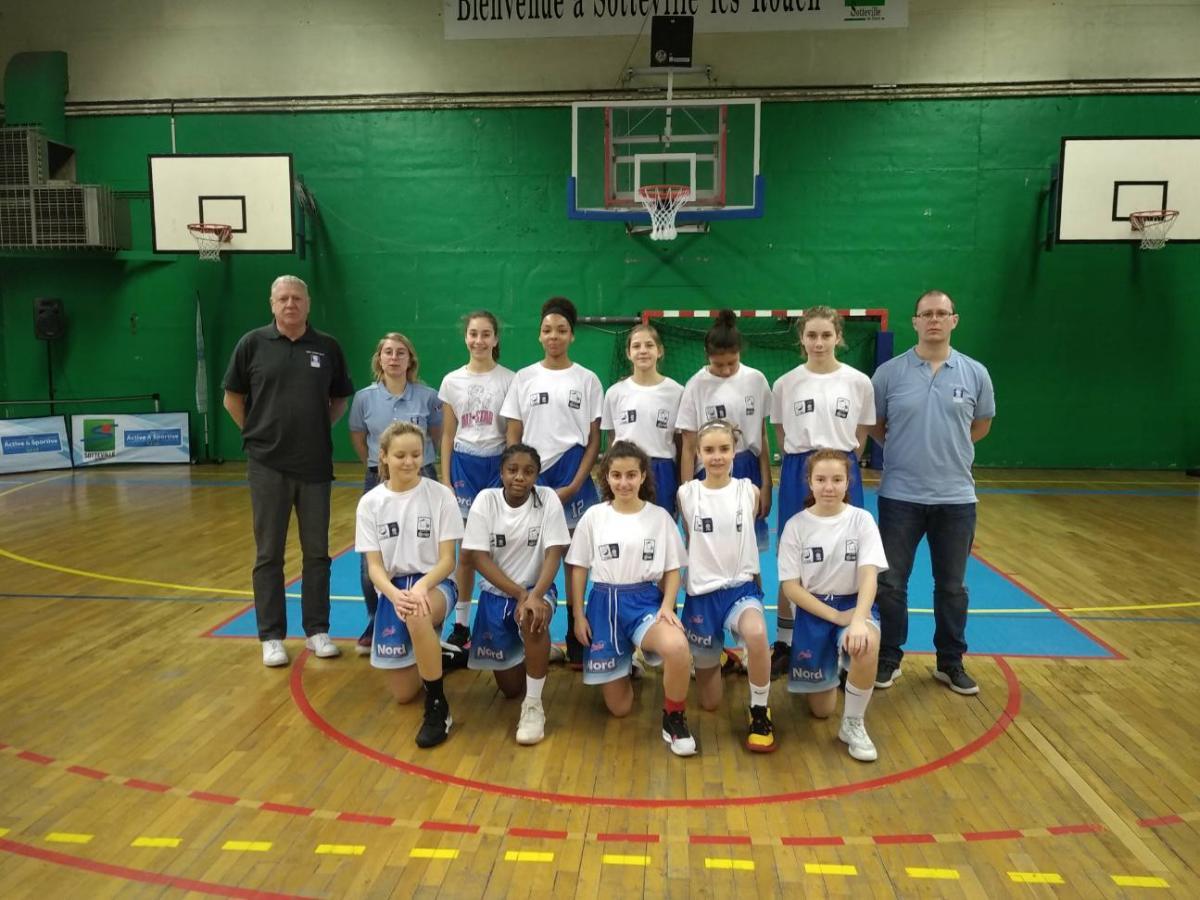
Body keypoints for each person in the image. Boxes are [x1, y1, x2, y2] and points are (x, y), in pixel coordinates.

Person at [222, 274, 353, 668]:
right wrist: (256, 435)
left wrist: (313, 429)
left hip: (315, 465)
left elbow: (339, 400)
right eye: (283, 298)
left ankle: (317, 630)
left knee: (317, 553)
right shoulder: (252, 344)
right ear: (272, 304)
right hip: (267, 467)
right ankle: (272, 636)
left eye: (297, 298)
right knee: (269, 554)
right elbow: (232, 398)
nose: (290, 304)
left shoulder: (327, 347)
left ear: (308, 304)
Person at [868, 290, 996, 695]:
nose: (935, 320)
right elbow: (876, 425)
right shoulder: (889, 373)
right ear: (915, 322)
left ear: (954, 320)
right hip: (900, 496)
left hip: (956, 498)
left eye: (942, 313)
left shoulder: (975, 373)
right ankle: (889, 657)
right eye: (927, 314)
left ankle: (950, 661)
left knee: (952, 586)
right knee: (891, 583)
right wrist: (905, 448)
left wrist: (949, 450)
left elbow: (981, 425)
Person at [566, 441, 696, 756]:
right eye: (616, 475)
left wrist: (667, 606)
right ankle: (625, 663)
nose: (623, 482)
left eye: (631, 475)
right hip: (604, 605)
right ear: (606, 477)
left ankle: (674, 717)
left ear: (642, 476)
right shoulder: (594, 517)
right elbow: (578, 568)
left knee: (677, 647)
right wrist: (578, 615)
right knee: (620, 708)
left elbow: (673, 568)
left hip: (644, 603)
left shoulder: (659, 517)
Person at [769, 306, 876, 675]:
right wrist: (806, 463)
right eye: (811, 335)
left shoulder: (859, 382)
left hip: (841, 467)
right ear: (801, 338)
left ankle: (845, 638)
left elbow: (861, 434)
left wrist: (838, 465)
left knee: (847, 553)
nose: (818, 342)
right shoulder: (785, 383)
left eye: (826, 335)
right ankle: (785, 641)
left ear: (838, 337)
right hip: (799, 468)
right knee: (791, 554)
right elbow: (781, 433)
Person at [502, 296, 602, 665]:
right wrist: (519, 476)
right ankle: (527, 629)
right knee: (534, 555)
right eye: (547, 330)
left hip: (573, 473)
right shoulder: (524, 378)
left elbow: (595, 440)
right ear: (539, 335)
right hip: (534, 474)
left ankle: (577, 635)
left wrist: (576, 484)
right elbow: (514, 433)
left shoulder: (587, 379)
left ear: (572, 335)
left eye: (561, 330)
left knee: (576, 558)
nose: (554, 336)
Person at [355, 421, 463, 748]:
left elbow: (448, 560)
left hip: (435, 583)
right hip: (394, 589)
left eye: (416, 454)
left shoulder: (440, 496)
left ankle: (438, 706)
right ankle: (435, 651)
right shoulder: (370, 503)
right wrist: (393, 594)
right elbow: (374, 567)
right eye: (400, 455)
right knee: (403, 695)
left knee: (417, 613)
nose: (409, 462)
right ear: (383, 456)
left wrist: (420, 588)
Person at [778, 450, 888, 762]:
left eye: (837, 479)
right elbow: (791, 588)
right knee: (821, 711)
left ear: (848, 482)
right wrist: (835, 616)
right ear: (809, 482)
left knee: (866, 643)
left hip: (853, 605)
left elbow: (869, 575)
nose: (829, 487)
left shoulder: (861, 520)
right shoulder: (796, 526)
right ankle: (837, 663)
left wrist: (858, 620)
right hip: (814, 610)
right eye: (821, 479)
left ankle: (853, 723)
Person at [460, 443, 570, 745]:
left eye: (528, 471)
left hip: (537, 590)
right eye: (512, 470)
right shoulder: (486, 501)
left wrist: (534, 595)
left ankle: (533, 707)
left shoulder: (547, 499)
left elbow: (554, 552)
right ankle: (537, 651)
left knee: (532, 618)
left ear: (536, 475)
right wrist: (519, 592)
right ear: (501, 472)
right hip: (497, 596)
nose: (519, 477)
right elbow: (477, 557)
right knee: (510, 689)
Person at [676, 420, 774, 753]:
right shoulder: (687, 494)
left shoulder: (749, 490)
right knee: (710, 703)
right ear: (698, 454)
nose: (716, 456)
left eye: (724, 449)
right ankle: (719, 655)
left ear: (734, 451)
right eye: (709, 450)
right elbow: (691, 538)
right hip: (702, 598)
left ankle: (759, 710)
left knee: (757, 634)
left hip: (740, 591)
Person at [348, 333, 443, 656]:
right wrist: (379, 467)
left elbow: (436, 434)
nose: (394, 358)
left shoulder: (428, 397)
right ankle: (377, 619)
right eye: (387, 352)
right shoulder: (364, 398)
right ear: (379, 359)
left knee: (426, 546)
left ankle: (428, 615)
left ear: (410, 359)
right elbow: (358, 435)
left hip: (422, 474)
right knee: (373, 554)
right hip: (379, 476)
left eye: (400, 352)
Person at [439, 311, 515, 650]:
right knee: (467, 550)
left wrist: (510, 475)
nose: (479, 340)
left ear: (496, 338)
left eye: (486, 334)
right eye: (473, 334)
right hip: (464, 466)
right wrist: (445, 478)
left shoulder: (510, 380)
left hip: (497, 465)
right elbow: (447, 434)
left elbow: (512, 434)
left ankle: (502, 617)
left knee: (500, 547)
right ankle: (461, 624)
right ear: (465, 337)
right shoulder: (451, 381)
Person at [676, 309, 772, 550]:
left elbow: (761, 436)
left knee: (747, 547)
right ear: (707, 356)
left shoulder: (756, 380)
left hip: (748, 469)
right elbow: (688, 447)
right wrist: (686, 494)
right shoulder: (695, 385)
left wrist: (767, 485)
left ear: (740, 353)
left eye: (732, 363)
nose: (726, 370)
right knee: (709, 545)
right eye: (719, 365)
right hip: (708, 473)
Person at [601, 323, 684, 517]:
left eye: (649, 345)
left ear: (660, 351)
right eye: (636, 346)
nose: (643, 351)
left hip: (662, 471)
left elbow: (680, 442)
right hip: (626, 469)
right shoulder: (614, 393)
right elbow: (612, 439)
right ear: (628, 353)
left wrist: (680, 481)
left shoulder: (677, 392)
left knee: (661, 525)